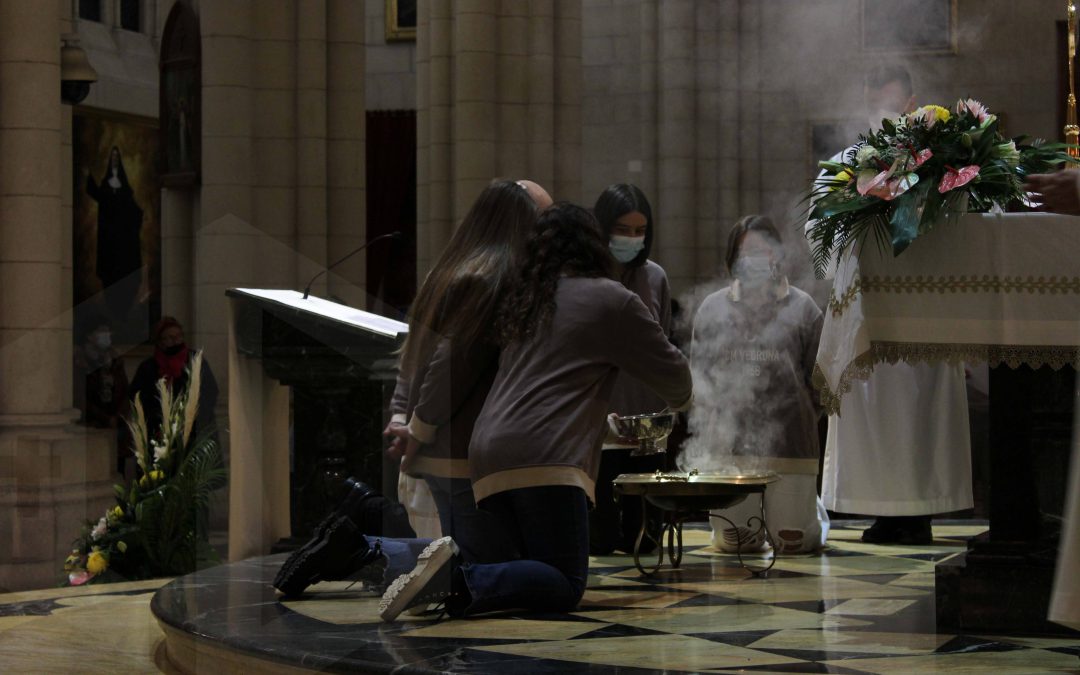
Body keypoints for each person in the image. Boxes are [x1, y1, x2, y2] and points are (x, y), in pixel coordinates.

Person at [378, 202, 693, 621]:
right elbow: (675, 377)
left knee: (527, 573)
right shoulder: (612, 299)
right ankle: (455, 577)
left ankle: (406, 561)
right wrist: (683, 404)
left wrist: (416, 424)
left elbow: (533, 384)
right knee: (564, 583)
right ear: (594, 245)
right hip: (547, 457)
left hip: (487, 453)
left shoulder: (524, 299)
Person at [274, 179, 547, 598]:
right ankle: (364, 549)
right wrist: (418, 429)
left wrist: (403, 416)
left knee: (464, 558)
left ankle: (363, 537)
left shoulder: (449, 271)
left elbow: (411, 356)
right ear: (519, 223)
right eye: (542, 220)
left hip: (437, 447)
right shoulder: (492, 279)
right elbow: (446, 366)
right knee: (471, 564)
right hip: (457, 449)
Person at [809, 65, 972, 544]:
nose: (885, 112)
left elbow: (966, 222)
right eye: (875, 102)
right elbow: (817, 228)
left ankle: (919, 509)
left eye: (893, 102)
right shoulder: (845, 163)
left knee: (920, 410)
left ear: (911, 102)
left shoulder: (942, 166)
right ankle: (881, 509)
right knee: (873, 411)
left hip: (926, 311)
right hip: (868, 314)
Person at [690, 216, 827, 554]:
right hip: (730, 451)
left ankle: (813, 512)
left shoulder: (803, 307)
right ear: (732, 258)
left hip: (790, 446)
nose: (754, 260)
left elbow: (821, 383)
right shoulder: (713, 308)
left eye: (763, 251)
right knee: (736, 544)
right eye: (746, 252)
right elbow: (700, 380)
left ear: (777, 255)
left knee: (793, 543)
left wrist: (798, 414)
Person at [589, 184, 672, 555]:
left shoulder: (655, 277)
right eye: (623, 230)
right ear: (603, 227)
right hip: (599, 420)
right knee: (601, 538)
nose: (632, 239)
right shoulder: (585, 278)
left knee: (646, 541)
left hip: (647, 423)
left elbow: (664, 346)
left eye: (640, 231)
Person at [129, 316, 219, 442]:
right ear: (160, 342)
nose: (176, 341)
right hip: (159, 432)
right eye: (171, 338)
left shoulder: (195, 361)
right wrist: (161, 418)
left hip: (194, 431)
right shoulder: (148, 367)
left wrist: (189, 418)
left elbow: (209, 391)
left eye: (179, 336)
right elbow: (138, 398)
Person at [86, 146, 144, 328]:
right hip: (110, 241)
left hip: (125, 241)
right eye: (113, 157)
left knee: (128, 276)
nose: (116, 160)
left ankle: (123, 312)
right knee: (111, 276)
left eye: (118, 157)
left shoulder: (125, 187)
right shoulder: (105, 186)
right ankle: (114, 312)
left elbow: (134, 210)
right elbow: (95, 193)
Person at [73, 314, 131, 473]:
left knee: (116, 471)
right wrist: (104, 418)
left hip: (115, 425)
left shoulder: (115, 360)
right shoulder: (80, 361)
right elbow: (79, 396)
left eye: (109, 331)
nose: (108, 335)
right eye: (102, 331)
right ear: (89, 335)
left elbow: (125, 391)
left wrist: (118, 416)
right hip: (91, 424)